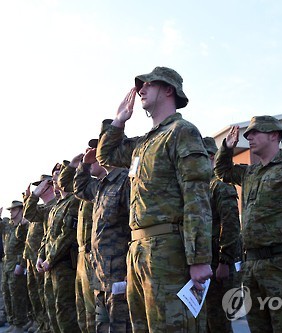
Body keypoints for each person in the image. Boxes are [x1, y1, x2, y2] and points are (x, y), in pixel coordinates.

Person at [96, 66, 213, 332]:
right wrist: (119, 121)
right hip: (138, 249)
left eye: (149, 84)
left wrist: (199, 258)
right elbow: (106, 156)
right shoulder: (144, 143)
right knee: (142, 327)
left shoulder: (181, 131)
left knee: (171, 327)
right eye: (140, 86)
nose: (141, 90)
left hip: (168, 250)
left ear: (169, 90)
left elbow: (196, 196)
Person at [214, 116, 282, 332]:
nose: (249, 137)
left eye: (255, 133)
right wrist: (226, 148)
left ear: (274, 135)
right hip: (253, 265)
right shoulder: (250, 173)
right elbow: (222, 171)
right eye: (247, 135)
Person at [75, 134, 132, 332]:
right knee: (102, 326)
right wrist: (84, 164)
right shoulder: (102, 185)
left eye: (100, 148)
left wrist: (129, 271)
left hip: (119, 273)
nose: (97, 153)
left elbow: (135, 225)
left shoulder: (127, 180)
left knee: (121, 326)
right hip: (100, 273)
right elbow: (80, 189)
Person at [37, 157, 82, 333]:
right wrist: (41, 256)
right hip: (50, 265)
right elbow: (47, 236)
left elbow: (67, 235)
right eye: (55, 176)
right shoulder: (56, 206)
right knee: (52, 308)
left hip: (64, 265)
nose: (55, 180)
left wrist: (49, 259)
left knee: (66, 311)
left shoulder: (73, 201)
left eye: (59, 175)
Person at [202, 137, 241, 333]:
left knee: (219, 321)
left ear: (210, 157)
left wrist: (225, 261)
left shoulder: (221, 184)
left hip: (218, 264)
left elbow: (231, 223)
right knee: (207, 319)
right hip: (204, 263)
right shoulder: (201, 185)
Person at [25, 166, 62, 333]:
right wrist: (31, 197)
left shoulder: (55, 205)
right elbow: (29, 215)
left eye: (41, 185)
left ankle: (47, 327)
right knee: (41, 297)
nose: (37, 189)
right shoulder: (43, 208)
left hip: (55, 260)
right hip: (40, 259)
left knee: (57, 303)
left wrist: (34, 196)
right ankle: (44, 326)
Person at [0, 201, 30, 333]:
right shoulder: (7, 226)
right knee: (7, 294)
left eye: (14, 210)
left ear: (20, 210)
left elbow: (27, 246)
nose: (11, 212)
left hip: (17, 262)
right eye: (10, 210)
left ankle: (20, 324)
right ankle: (12, 322)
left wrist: (22, 264)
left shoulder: (25, 225)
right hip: (6, 264)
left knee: (17, 295)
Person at [73, 142, 98, 333]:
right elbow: (76, 187)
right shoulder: (96, 187)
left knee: (99, 314)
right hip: (85, 255)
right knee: (85, 309)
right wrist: (80, 164)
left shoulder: (121, 181)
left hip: (99, 257)